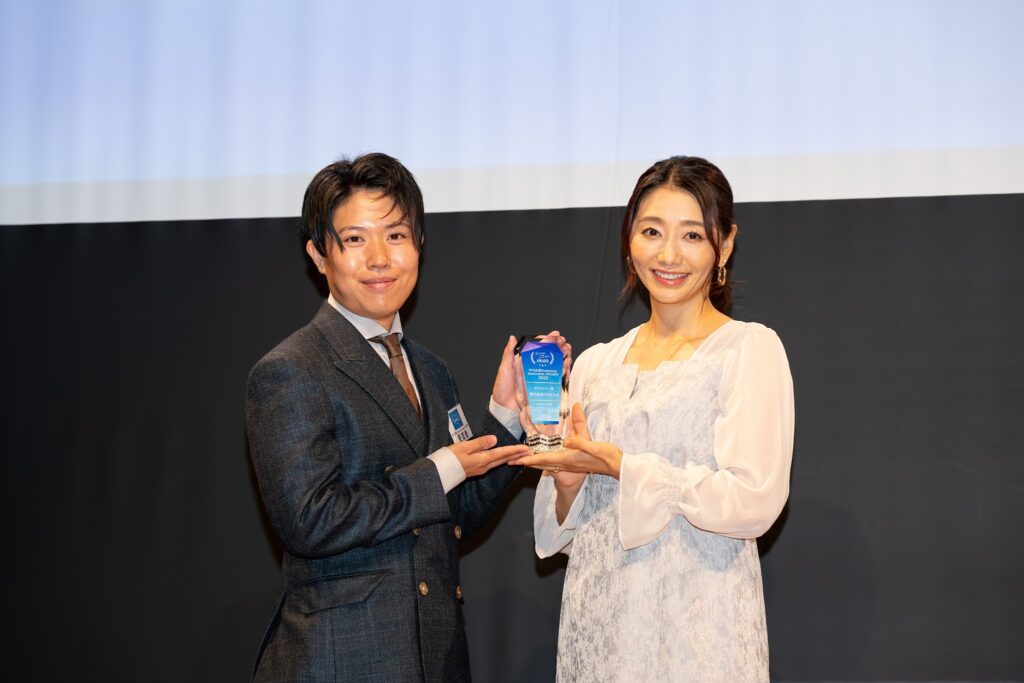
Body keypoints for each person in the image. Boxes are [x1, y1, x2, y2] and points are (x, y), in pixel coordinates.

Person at [246, 153, 547, 682]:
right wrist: (442, 468)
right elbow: (311, 521)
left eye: (396, 236)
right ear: (319, 255)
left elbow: (455, 513)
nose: (380, 258)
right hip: (342, 663)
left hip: (435, 658)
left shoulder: (431, 369)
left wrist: (507, 414)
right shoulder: (290, 370)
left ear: (419, 244)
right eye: (355, 239)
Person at [511, 156, 795, 681]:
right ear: (629, 240)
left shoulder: (747, 350)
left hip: (700, 638)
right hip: (599, 634)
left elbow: (755, 500)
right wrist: (569, 482)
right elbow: (561, 535)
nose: (668, 255)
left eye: (692, 235)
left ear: (724, 245)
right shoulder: (595, 365)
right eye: (651, 232)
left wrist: (624, 466)